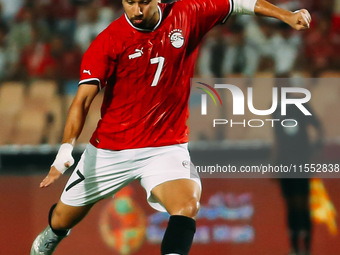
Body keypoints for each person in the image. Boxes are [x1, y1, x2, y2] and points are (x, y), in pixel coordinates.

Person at [30, 0, 311, 254]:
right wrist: (66, 149)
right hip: (111, 149)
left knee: (187, 206)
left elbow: (238, 3)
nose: (137, 11)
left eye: (143, 3)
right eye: (130, 3)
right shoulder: (108, 42)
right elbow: (82, 102)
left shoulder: (187, 13)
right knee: (62, 218)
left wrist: (286, 15)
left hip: (165, 147)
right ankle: (51, 236)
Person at [273, 84, 323, 255]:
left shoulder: (301, 105)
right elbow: (278, 138)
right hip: (284, 164)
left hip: (301, 162)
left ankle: (307, 247)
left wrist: (315, 150)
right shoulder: (276, 108)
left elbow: (317, 125)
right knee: (290, 205)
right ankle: (294, 247)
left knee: (302, 203)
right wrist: (274, 162)